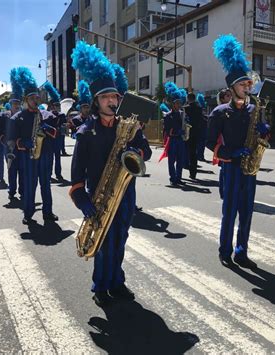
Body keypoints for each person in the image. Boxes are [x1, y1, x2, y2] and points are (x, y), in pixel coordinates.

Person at [70, 40, 152, 307]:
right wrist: (85, 204)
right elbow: (76, 179)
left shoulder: (127, 126)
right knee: (103, 244)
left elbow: (145, 153)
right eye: (106, 97)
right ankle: (100, 285)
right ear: (96, 102)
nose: (112, 101)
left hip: (126, 192)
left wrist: (136, 153)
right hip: (99, 195)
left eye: (115, 97)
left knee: (120, 241)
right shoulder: (85, 134)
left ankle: (117, 282)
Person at [207, 34, 270, 269]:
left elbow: (261, 135)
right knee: (229, 212)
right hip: (231, 167)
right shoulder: (220, 112)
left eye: (248, 84)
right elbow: (209, 142)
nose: (247, 87)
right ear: (231, 87)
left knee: (247, 213)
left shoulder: (255, 108)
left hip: (250, 170)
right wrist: (229, 153)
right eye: (243, 84)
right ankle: (225, 250)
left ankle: (241, 250)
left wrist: (264, 131)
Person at [11, 67, 59, 225]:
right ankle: (28, 213)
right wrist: (23, 143)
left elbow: (57, 133)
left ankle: (48, 212)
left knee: (46, 185)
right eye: (32, 98)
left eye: (37, 97)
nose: (35, 100)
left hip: (45, 155)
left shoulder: (47, 115)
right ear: (26, 99)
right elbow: (11, 140)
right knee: (30, 186)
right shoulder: (18, 117)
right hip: (28, 156)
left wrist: (47, 128)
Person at [162, 81, 188, 186]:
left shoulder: (182, 114)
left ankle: (179, 177)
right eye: (177, 103)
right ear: (173, 104)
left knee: (180, 160)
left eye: (179, 103)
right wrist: (176, 132)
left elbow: (185, 124)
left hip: (181, 140)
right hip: (173, 140)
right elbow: (167, 130)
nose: (179, 105)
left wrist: (187, 125)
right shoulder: (168, 115)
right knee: (171, 161)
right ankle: (173, 178)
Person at [5, 68, 24, 200]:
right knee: (12, 170)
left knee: (22, 171)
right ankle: (12, 191)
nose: (16, 105)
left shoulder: (24, 116)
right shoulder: (4, 116)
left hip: (22, 147)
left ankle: (22, 191)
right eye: (14, 103)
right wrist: (4, 141)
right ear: (10, 104)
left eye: (18, 103)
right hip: (9, 147)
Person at [43, 81, 66, 182]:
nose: (57, 107)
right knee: (49, 159)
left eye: (58, 105)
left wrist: (63, 127)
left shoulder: (62, 115)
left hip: (59, 138)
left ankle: (58, 174)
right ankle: (49, 174)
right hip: (50, 138)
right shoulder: (47, 115)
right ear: (52, 106)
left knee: (58, 158)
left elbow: (64, 125)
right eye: (55, 105)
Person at [216, 88, 233, 199]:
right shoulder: (219, 111)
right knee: (223, 168)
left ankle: (228, 191)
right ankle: (223, 192)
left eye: (230, 95)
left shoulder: (232, 109)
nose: (230, 98)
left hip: (231, 142)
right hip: (222, 142)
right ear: (222, 99)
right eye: (227, 96)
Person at [184, 92, 203, 180]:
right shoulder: (199, 108)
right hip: (197, 132)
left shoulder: (187, 108)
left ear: (188, 98)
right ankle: (193, 173)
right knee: (193, 153)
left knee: (185, 152)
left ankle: (185, 167)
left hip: (187, 132)